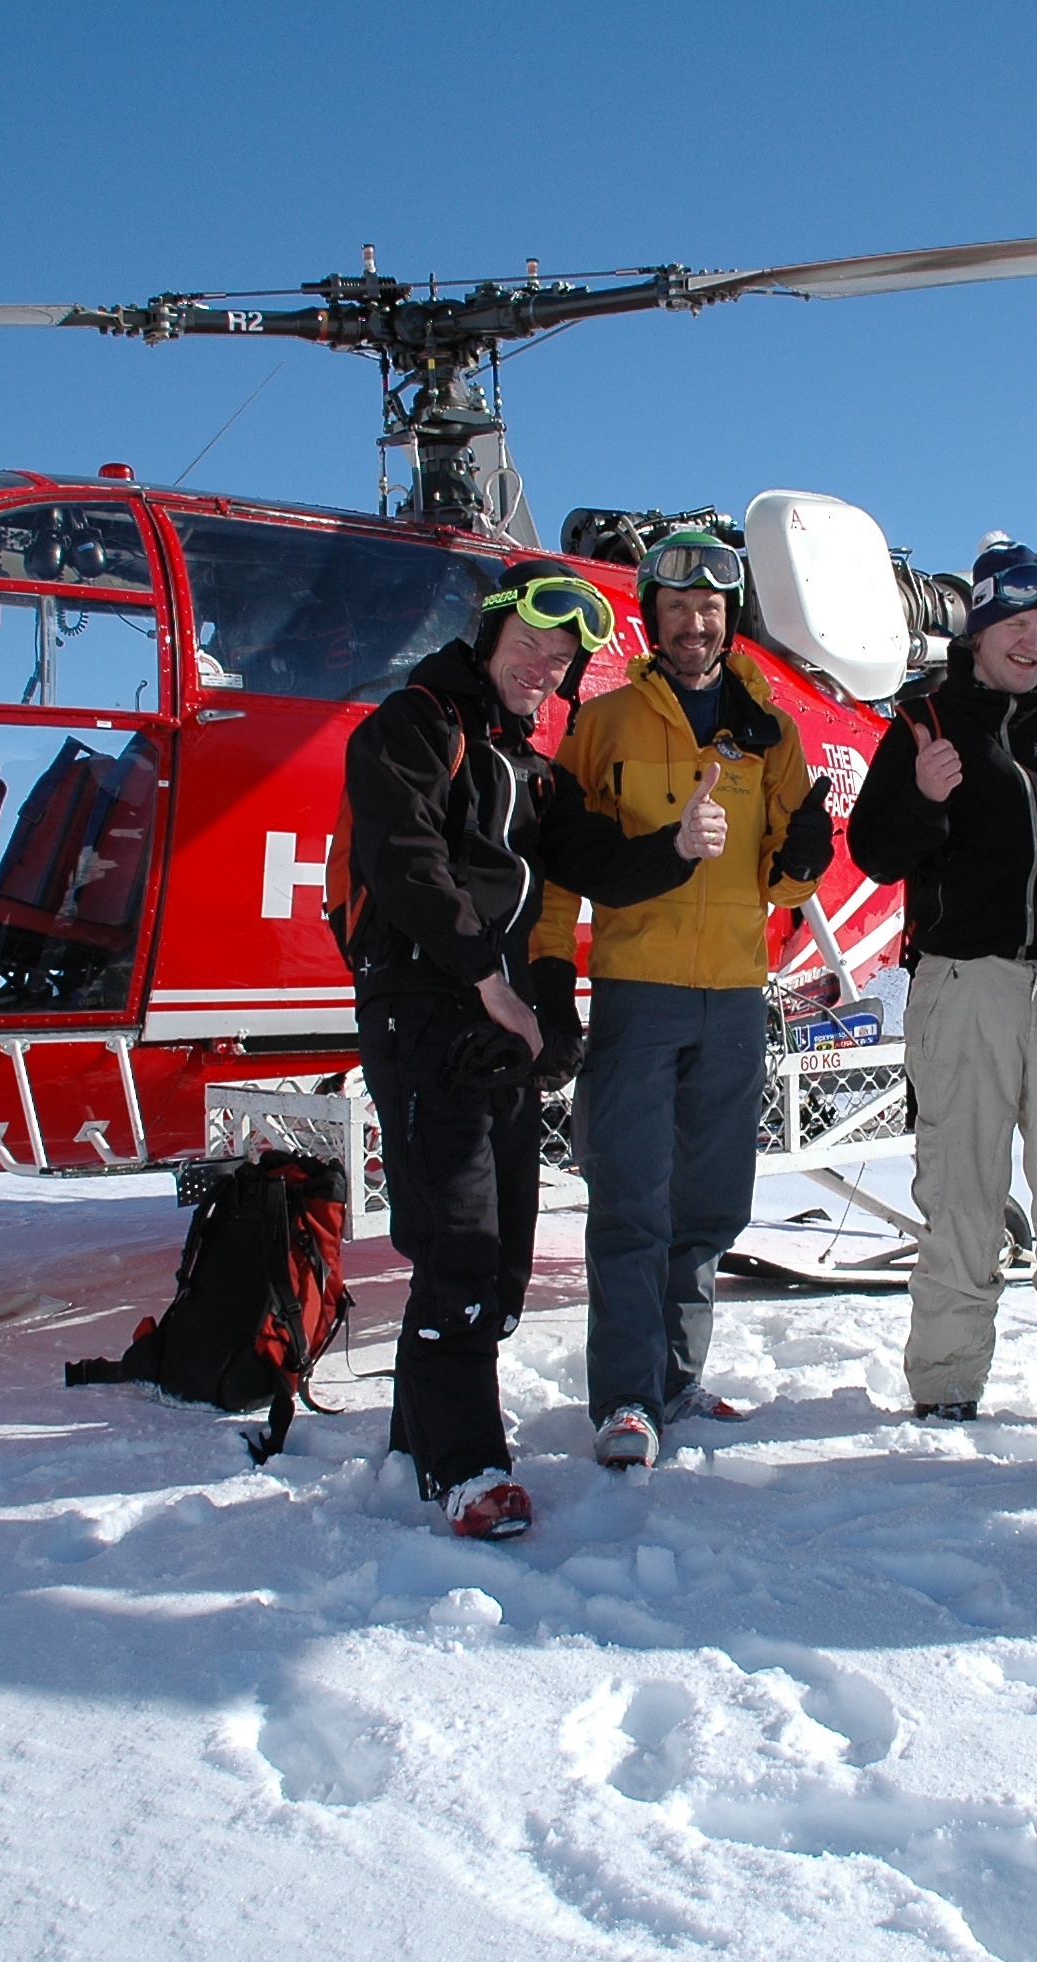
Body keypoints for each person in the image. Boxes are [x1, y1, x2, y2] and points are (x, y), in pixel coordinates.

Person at [334, 558, 715, 1538]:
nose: (542, 667)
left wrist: (674, 846)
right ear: (488, 631)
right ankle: (468, 1469)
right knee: (456, 1242)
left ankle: (417, 1443)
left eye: (560, 659)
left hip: (492, 1016)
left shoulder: (527, 768)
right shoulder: (412, 725)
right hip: (424, 1003)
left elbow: (589, 862)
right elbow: (404, 859)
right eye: (528, 646)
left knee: (498, 1264)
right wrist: (487, 975)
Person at [530, 529, 833, 1469]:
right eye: (677, 611)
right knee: (631, 1197)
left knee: (709, 1202)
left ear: (725, 620)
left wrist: (802, 860)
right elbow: (561, 867)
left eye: (710, 610)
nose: (695, 624)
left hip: (738, 996)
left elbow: (784, 874)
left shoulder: (767, 729)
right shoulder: (606, 726)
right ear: (652, 623)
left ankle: (677, 1377)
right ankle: (626, 1396)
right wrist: (549, 972)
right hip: (640, 992)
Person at [845, 538, 1037, 1437]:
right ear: (977, 632)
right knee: (962, 1195)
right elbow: (874, 852)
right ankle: (946, 1382)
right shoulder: (924, 726)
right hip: (964, 984)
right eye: (1016, 625)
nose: (1032, 641)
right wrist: (922, 798)